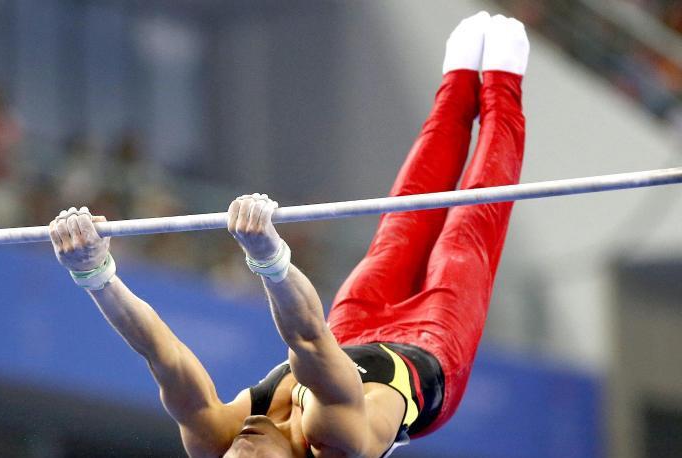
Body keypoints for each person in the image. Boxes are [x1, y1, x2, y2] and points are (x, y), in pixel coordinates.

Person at [48, 11, 528, 458]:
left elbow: (161, 353)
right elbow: (308, 341)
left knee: (402, 223)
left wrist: (95, 274)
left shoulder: (219, 434)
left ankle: (457, 84)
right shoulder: (334, 439)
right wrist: (269, 257)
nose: (241, 448)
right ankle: (504, 86)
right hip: (429, 352)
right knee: (467, 228)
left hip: (349, 331)